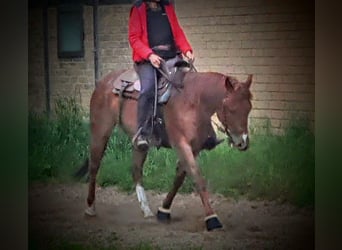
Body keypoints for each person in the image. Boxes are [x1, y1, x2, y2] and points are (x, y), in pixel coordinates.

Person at [128, 0, 222, 150]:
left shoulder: (168, 7)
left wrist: (187, 50)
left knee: (191, 87)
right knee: (148, 89)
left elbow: (177, 32)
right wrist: (150, 55)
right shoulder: (138, 9)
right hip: (148, 60)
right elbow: (134, 39)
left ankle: (207, 133)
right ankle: (143, 134)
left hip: (171, 57)